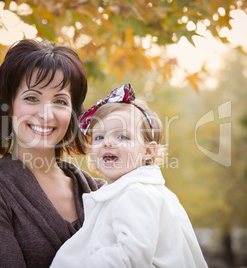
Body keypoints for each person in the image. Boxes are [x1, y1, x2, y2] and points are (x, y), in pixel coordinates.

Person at [0, 39, 105, 268]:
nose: (46, 115)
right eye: (32, 98)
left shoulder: (104, 193)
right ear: (8, 105)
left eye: (60, 101)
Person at [50, 84, 208, 268]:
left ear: (148, 151)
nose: (108, 142)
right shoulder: (131, 191)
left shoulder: (136, 194)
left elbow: (131, 257)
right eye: (99, 137)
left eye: (122, 137)